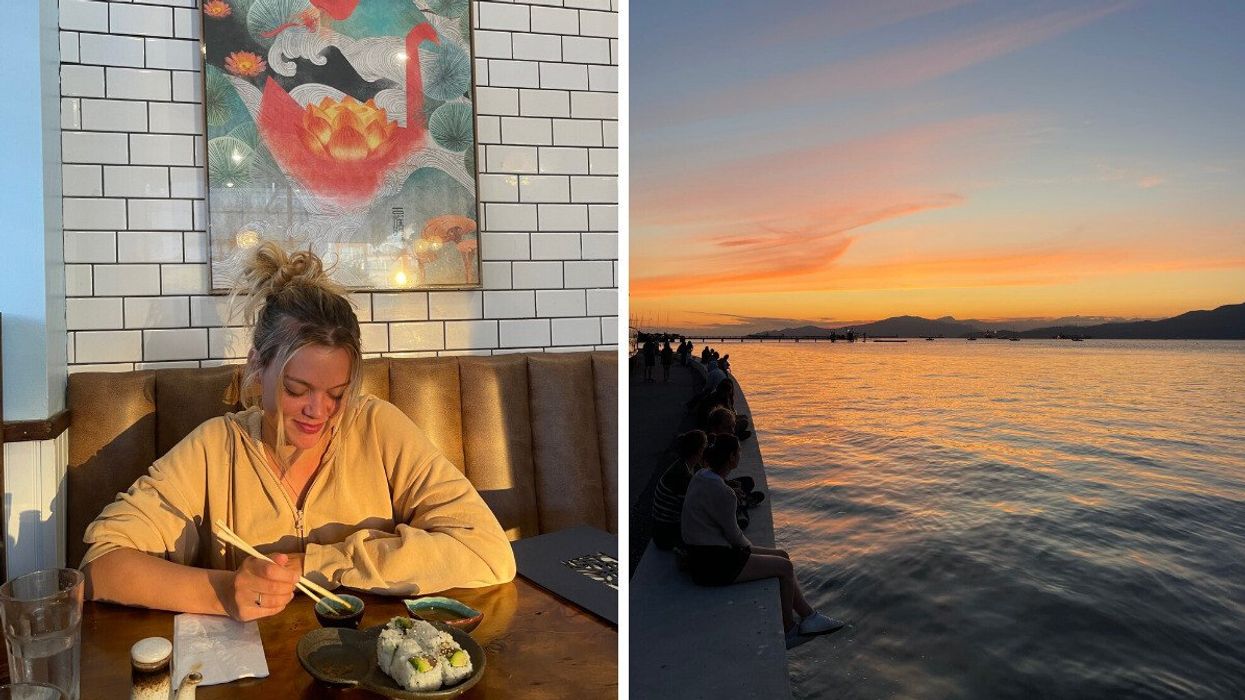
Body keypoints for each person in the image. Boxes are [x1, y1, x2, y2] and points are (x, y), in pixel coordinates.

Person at [80, 244, 516, 622]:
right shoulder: (217, 448)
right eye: (296, 389)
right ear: (258, 365)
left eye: (337, 394)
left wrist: (317, 564)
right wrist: (224, 592)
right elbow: (103, 562)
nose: (318, 411)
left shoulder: (377, 428)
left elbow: (488, 552)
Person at [681, 435, 843, 646]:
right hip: (713, 563)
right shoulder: (724, 493)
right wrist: (751, 552)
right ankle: (788, 629)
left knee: (782, 556)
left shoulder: (701, 476)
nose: (740, 454)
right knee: (784, 567)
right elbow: (735, 537)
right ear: (731, 458)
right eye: (738, 451)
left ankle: (809, 616)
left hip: (701, 554)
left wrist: (753, 552)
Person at [650, 430, 708, 551]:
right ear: (699, 450)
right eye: (705, 446)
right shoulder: (682, 476)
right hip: (666, 534)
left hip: (668, 525)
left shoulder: (688, 465)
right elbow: (692, 512)